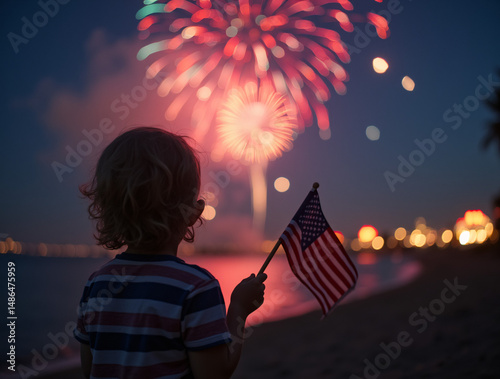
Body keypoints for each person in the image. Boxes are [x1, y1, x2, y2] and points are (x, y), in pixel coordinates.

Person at [73, 126, 267, 379]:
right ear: (194, 212)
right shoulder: (197, 287)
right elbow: (215, 373)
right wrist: (238, 310)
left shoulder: (96, 284)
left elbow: (90, 370)